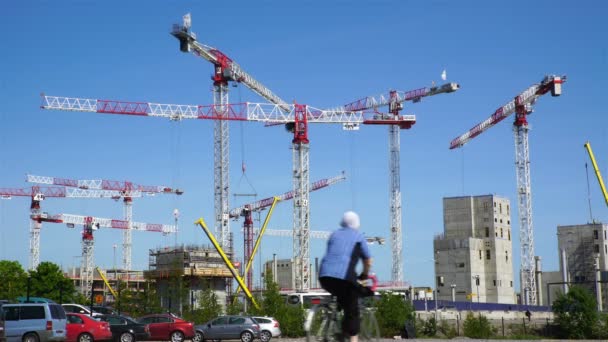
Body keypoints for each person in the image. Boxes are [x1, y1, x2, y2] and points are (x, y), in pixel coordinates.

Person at [319, 211, 373, 342]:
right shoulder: (358, 236)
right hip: (344, 277)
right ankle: (352, 337)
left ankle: (335, 327)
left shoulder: (334, 235)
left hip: (324, 276)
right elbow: (368, 260)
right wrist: (365, 275)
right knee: (352, 310)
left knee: (342, 299)